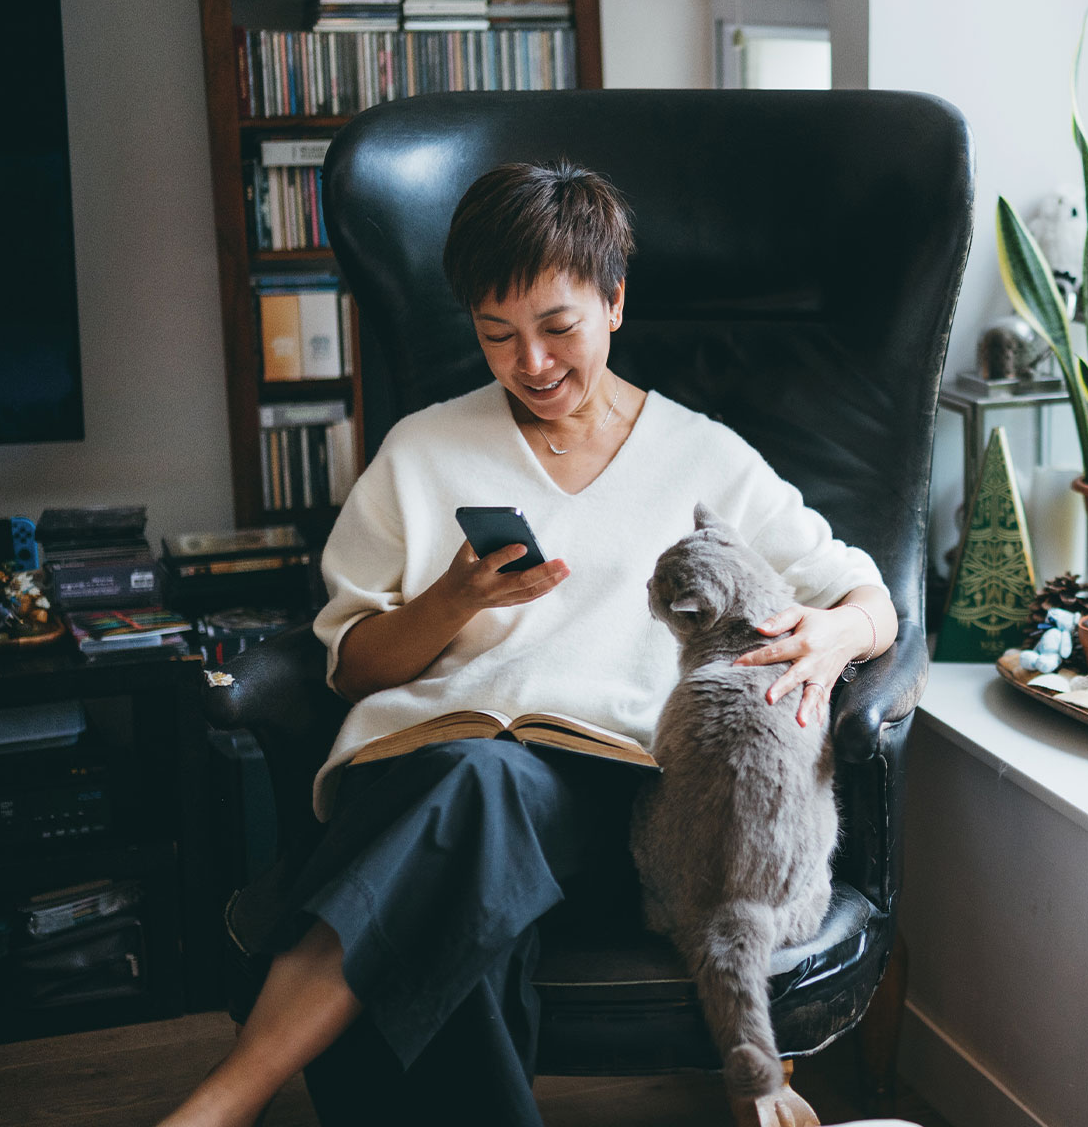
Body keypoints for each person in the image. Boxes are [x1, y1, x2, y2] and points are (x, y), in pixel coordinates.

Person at [160, 162, 896, 1127]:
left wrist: (833, 637)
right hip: (419, 770)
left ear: (616, 303)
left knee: (483, 798)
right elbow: (351, 666)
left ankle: (226, 1098)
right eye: (496, 335)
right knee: (473, 867)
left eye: (558, 328)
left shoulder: (702, 457)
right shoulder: (422, 450)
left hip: (606, 793)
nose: (532, 364)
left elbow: (866, 591)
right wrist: (454, 597)